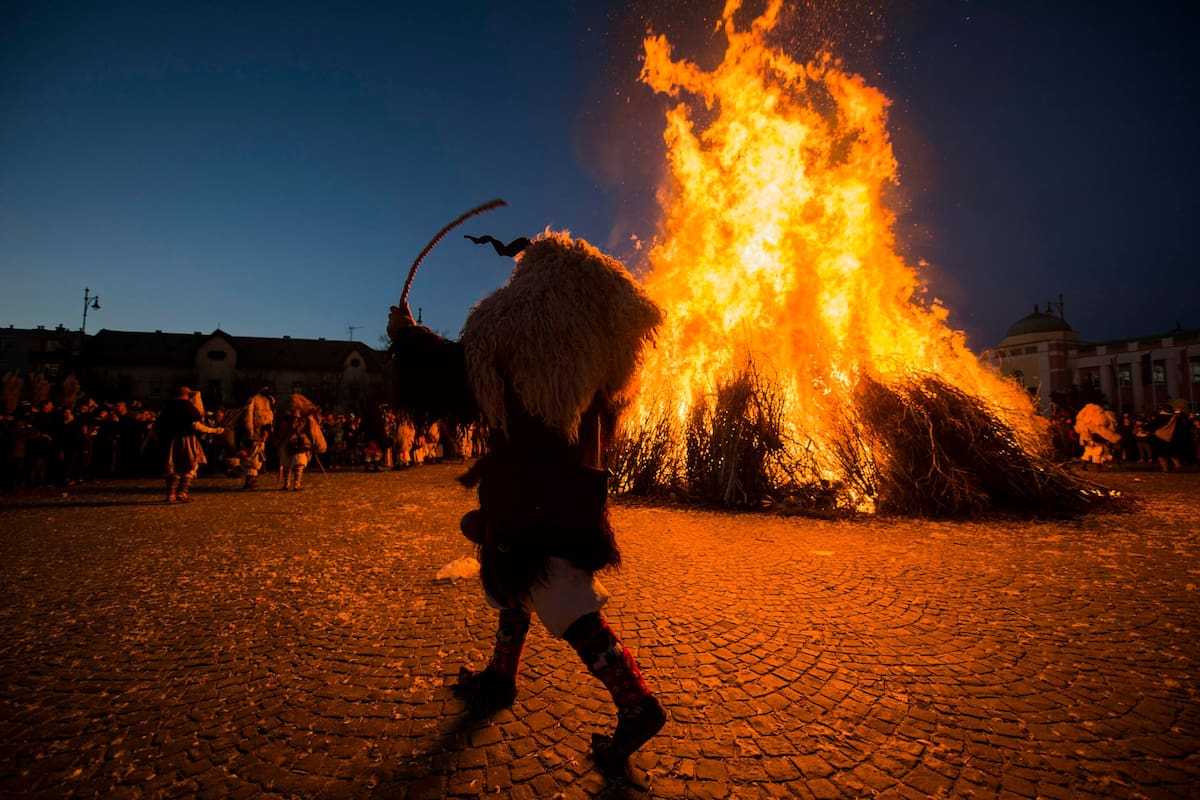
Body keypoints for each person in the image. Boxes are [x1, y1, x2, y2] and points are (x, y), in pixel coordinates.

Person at [388, 229, 666, 764]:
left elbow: (460, 374)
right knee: (512, 585)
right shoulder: (598, 330)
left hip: (534, 491)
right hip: (564, 485)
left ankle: (636, 703)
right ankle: (499, 677)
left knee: (565, 601)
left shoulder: (520, 319)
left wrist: (409, 335)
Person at [146, 386, 224, 502]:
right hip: (187, 440)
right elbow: (196, 426)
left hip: (170, 441)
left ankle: (170, 495)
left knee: (173, 467)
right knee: (189, 466)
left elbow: (156, 427)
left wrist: (145, 443)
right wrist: (214, 430)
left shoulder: (168, 407)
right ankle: (182, 494)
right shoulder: (189, 408)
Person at [275, 394, 326, 490]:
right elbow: (313, 432)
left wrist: (277, 442)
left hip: (288, 442)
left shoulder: (284, 418)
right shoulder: (306, 418)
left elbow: (278, 431)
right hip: (300, 443)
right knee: (298, 463)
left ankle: (287, 484)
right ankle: (295, 484)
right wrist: (317, 444)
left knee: (288, 462)